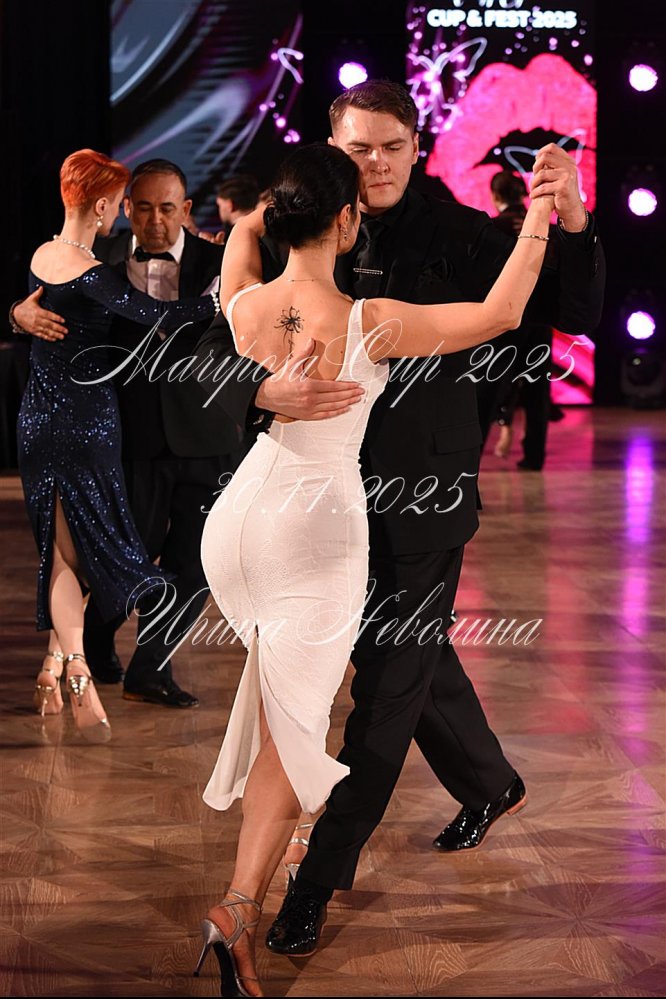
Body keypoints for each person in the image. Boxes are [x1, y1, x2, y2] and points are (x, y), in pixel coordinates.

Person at [194, 80, 605, 959]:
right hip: (310, 513)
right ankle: (489, 783)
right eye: (358, 150)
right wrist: (258, 391)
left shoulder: (460, 233)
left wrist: (563, 218)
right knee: (408, 666)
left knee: (384, 693)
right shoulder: (305, 225)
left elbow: (560, 314)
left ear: (417, 146)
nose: (376, 163)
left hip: (419, 504)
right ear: (332, 154)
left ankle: (310, 882)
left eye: (391, 146)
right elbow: (208, 345)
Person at [13, 158, 240, 708]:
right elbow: (51, 301)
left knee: (195, 563)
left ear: (186, 209)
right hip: (123, 437)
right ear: (122, 208)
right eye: (140, 207)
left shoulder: (225, 261)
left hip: (205, 434)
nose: (154, 220)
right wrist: (18, 314)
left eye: (167, 208)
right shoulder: (97, 257)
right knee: (111, 553)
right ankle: (90, 650)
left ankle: (150, 668)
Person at [477, 169, 555, 469]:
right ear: (523, 193)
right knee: (537, 391)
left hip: (504, 322)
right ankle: (535, 456)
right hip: (540, 321)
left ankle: (472, 457)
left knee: (488, 389)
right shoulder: (544, 227)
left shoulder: (492, 228)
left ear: (495, 195)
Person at [198, 174, 261, 245]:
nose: (220, 210)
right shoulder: (264, 229)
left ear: (230, 205)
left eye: (219, 205)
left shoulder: (229, 238)